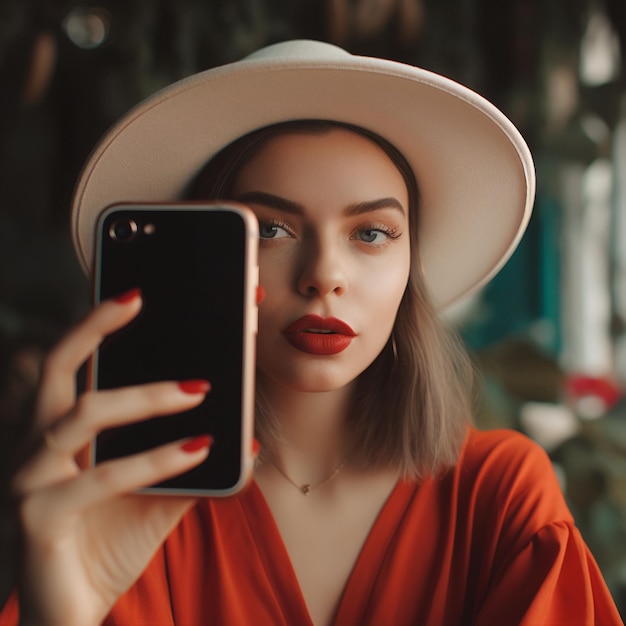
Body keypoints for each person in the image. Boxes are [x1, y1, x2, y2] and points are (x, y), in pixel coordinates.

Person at [1, 40, 623, 626]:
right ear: (203, 260)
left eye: (371, 233)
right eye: (270, 229)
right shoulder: (115, 497)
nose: (324, 276)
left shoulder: (500, 497)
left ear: (413, 269)